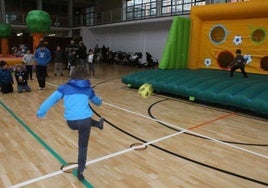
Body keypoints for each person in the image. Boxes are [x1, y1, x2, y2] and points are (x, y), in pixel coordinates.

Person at [36, 66, 104, 181]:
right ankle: (80, 171)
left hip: (71, 123)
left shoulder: (64, 88)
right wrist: (97, 97)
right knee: (83, 147)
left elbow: (50, 100)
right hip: (84, 122)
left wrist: (40, 113)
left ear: (72, 76)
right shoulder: (89, 90)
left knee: (84, 121)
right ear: (86, 76)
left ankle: (98, 124)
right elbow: (97, 103)